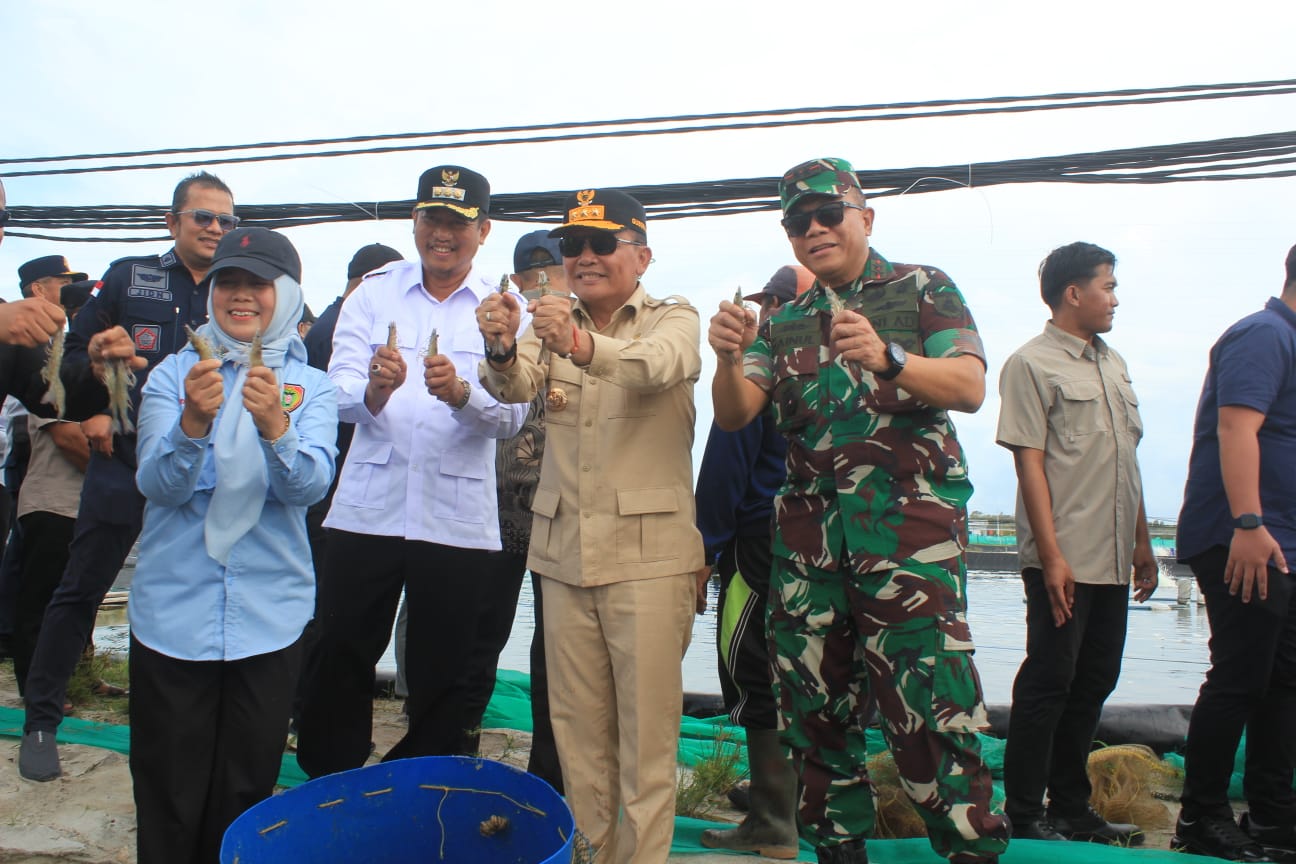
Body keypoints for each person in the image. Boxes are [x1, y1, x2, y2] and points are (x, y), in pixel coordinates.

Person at [707, 157, 1010, 864]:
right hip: (809, 552)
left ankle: (968, 848)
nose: (813, 231)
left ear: (864, 219)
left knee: (930, 706)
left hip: (909, 543)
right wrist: (725, 357)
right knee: (812, 714)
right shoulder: (781, 321)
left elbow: (967, 386)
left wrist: (890, 357)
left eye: (827, 215)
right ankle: (838, 850)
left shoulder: (922, 287)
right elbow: (734, 414)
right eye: (797, 223)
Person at [477, 188, 704, 863]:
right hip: (564, 555)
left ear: (641, 254)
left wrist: (577, 343)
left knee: (646, 741)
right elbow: (513, 387)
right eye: (571, 246)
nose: (583, 257)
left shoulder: (675, 317)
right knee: (577, 737)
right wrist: (497, 346)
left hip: (649, 560)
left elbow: (656, 367)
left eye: (601, 244)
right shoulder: (552, 320)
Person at [295, 165, 528, 776]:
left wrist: (461, 395)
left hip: (455, 518)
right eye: (432, 219)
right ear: (415, 222)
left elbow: (511, 419)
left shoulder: (506, 309)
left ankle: (419, 782)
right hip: (368, 507)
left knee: (444, 667)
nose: (442, 234)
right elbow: (334, 392)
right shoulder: (373, 292)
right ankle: (332, 775)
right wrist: (373, 389)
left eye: (457, 222)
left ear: (483, 230)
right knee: (340, 647)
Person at [18, 171, 235, 782]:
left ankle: (191, 725)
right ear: (173, 222)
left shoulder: (240, 286)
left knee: (201, 593)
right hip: (127, 461)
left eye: (226, 219)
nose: (216, 228)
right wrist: (92, 392)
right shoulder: (127, 276)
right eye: (203, 217)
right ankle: (41, 718)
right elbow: (66, 367)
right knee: (80, 587)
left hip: (203, 472)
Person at [128, 227, 336, 864]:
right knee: (169, 785)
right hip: (174, 610)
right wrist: (192, 423)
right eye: (229, 283)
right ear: (212, 292)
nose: (241, 297)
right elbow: (158, 485)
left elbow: (309, 487)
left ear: (288, 294)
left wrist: (276, 426)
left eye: (258, 285)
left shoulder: (313, 387)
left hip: (268, 614)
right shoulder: (174, 374)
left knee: (248, 784)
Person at [995, 242, 1157, 844]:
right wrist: (1053, 556)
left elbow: (1126, 461)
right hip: (1064, 558)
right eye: (1107, 286)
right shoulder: (1031, 364)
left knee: (1095, 681)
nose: (1114, 298)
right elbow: (1030, 466)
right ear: (1073, 293)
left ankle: (1070, 806)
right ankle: (1023, 812)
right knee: (1049, 680)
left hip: (1114, 558)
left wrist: (1143, 544)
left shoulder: (1113, 364)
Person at [1170, 244, 1296, 862]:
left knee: (1285, 685)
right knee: (1240, 679)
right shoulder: (1264, 334)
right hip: (1241, 538)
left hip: (1283, 546)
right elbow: (1235, 428)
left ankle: (1274, 817)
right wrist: (1249, 522)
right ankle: (1201, 818)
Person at [694, 264, 812, 859]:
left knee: (753, 668)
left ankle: (772, 822)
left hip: (759, 543)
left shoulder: (755, 377)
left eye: (773, 305)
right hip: (816, 544)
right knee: (810, 673)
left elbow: (723, 472)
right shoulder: (826, 374)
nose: (764, 315)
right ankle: (802, 806)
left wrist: (705, 553)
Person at [452, 229, 562, 794]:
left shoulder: (584, 331)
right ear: (516, 280)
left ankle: (548, 776)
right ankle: (457, 760)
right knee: (477, 642)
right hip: (492, 509)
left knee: (555, 654)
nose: (543, 283)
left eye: (554, 272)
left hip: (559, 514)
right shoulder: (495, 329)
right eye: (533, 275)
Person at [290, 242, 404, 744]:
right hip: (330, 488)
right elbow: (333, 405)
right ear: (363, 282)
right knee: (325, 618)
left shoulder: (334, 322)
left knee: (324, 615)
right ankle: (304, 712)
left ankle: (304, 711)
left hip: (334, 485)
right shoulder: (336, 328)